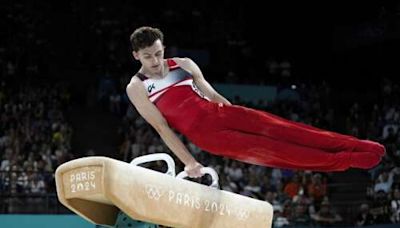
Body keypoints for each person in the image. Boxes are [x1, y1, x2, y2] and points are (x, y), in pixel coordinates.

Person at [126, 26, 385, 178]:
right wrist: (190, 162)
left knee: (288, 130)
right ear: (136, 55)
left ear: (164, 48)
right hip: (208, 136)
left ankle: (355, 144)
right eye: (148, 56)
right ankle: (346, 159)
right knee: (280, 152)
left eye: (159, 53)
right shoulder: (137, 87)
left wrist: (234, 112)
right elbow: (162, 128)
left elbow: (213, 96)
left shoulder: (183, 64)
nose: (156, 61)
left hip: (223, 113)